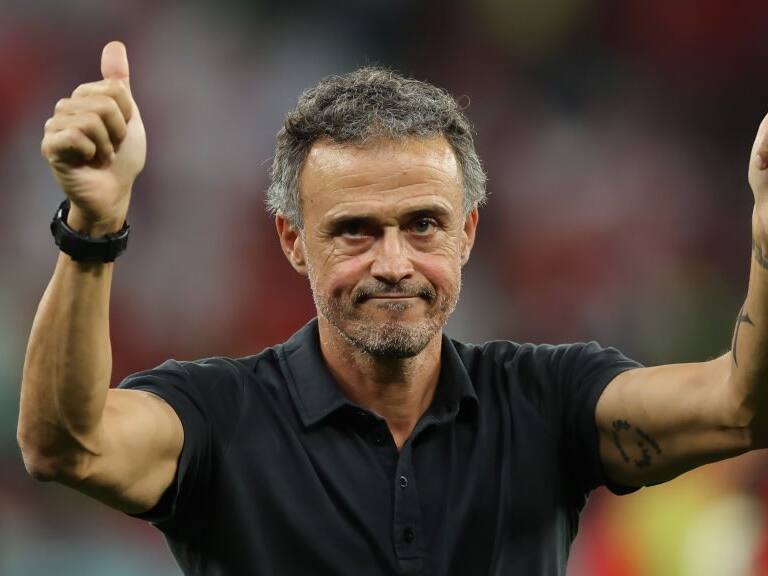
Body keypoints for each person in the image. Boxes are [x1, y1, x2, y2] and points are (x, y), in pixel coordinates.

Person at [15, 40, 768, 575]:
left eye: (423, 225)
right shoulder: (218, 415)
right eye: (354, 231)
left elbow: (742, 408)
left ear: (467, 231)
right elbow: (63, 446)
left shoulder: (548, 401)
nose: (393, 263)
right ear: (292, 241)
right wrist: (91, 229)